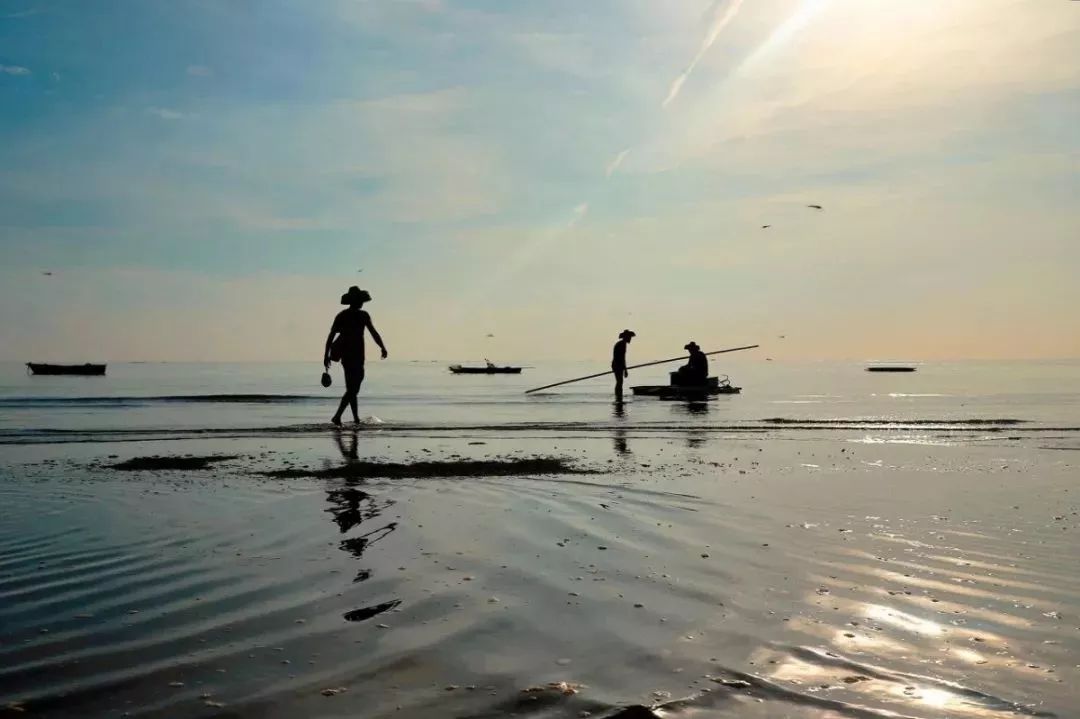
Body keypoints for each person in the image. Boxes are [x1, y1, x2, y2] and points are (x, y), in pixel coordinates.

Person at [324, 286, 388, 426]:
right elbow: (373, 333)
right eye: (361, 300)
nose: (362, 303)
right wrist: (382, 347)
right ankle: (337, 416)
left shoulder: (343, 315)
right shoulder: (361, 315)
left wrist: (326, 355)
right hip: (354, 355)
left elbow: (331, 336)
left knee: (351, 389)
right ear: (356, 301)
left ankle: (356, 419)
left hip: (350, 355)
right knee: (354, 389)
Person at [612, 329, 635, 399]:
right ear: (626, 337)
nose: (630, 339)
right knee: (619, 382)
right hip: (617, 365)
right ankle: (618, 396)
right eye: (629, 337)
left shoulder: (622, 344)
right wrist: (625, 370)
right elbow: (622, 358)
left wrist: (624, 369)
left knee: (619, 382)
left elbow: (622, 358)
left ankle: (618, 396)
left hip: (617, 364)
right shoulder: (622, 344)